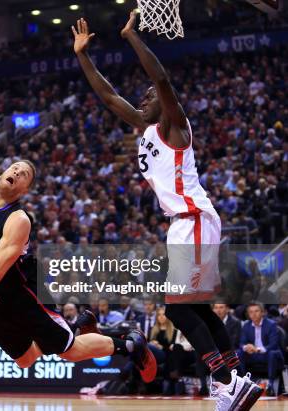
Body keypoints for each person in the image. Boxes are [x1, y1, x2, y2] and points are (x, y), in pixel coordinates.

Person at [72, 13, 261, 410]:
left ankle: (226, 382)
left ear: (166, 103)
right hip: (185, 224)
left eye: (149, 96)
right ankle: (236, 378)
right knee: (194, 308)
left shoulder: (176, 126)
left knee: (177, 309)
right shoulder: (144, 129)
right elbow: (107, 95)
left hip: (193, 219)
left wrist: (130, 36)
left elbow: (161, 79)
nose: (144, 98)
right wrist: (83, 56)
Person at [0, 85, 156, 383]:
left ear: (24, 190)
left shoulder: (18, 219)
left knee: (68, 351)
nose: (18, 172)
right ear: (2, 172)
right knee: (26, 360)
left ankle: (128, 343)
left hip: (20, 296)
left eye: (24, 175)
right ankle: (76, 325)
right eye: (16, 167)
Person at [238, 302, 284, 397]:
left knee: (272, 353)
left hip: (268, 355)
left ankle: (270, 385)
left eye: (256, 311)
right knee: (239, 353)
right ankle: (242, 384)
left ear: (262, 312)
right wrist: (246, 347)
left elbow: (273, 345)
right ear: (248, 314)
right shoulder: (246, 325)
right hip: (253, 355)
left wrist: (257, 349)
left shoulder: (271, 325)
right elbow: (241, 343)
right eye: (251, 312)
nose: (253, 314)